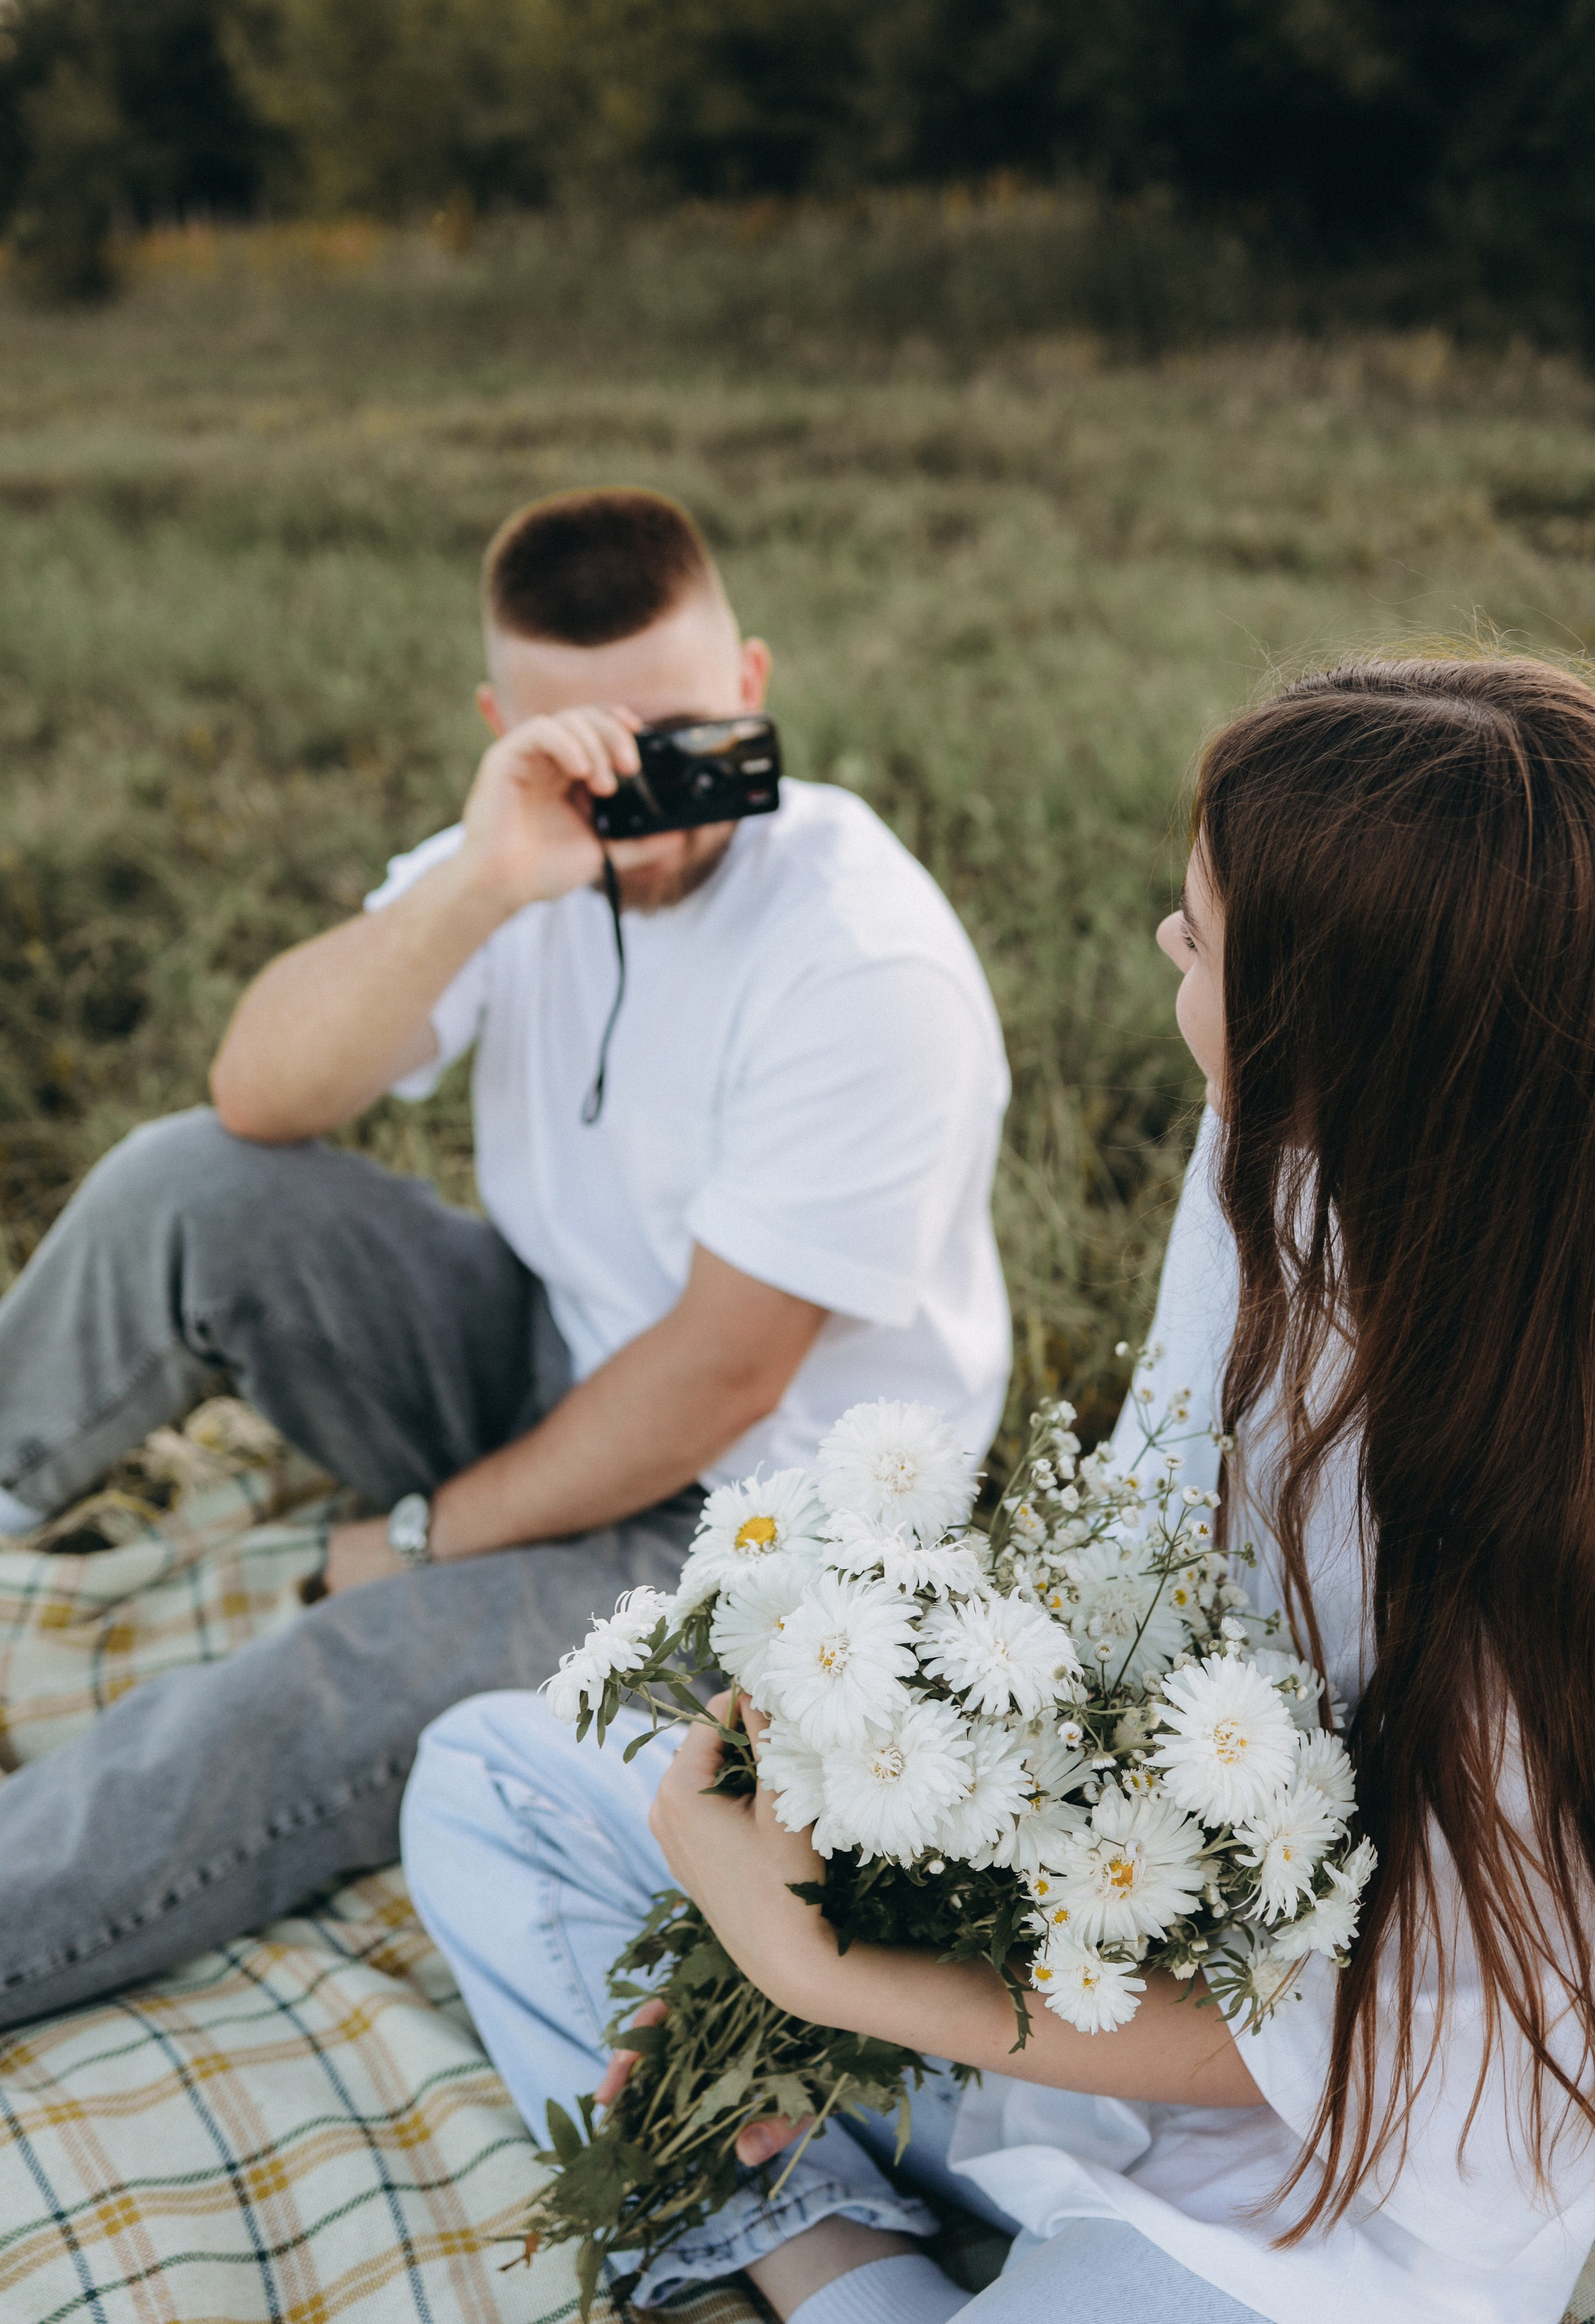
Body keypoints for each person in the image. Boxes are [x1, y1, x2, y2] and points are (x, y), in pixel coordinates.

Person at [402, 654, 1595, 2324]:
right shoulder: (1262, 1166)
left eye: (1206, 931)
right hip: (1083, 1970)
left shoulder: (1544, 1520)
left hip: (1346, 2178)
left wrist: (816, 1968)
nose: (1170, 945)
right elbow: (1135, 1608)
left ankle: (805, 2248)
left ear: (1343, 1035)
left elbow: (1335, 2046)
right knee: (498, 1782)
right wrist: (852, 1817)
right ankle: (819, 2222)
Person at [0, 486, 1011, 2027]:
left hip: (754, 1527)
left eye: (678, 741)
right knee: (187, 1182)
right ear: (508, 726)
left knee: (325, 1679)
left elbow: (720, 1376)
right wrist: (480, 880)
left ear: (750, 687)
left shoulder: (861, 957)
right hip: (556, 1358)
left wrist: (416, 1541)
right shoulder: (529, 849)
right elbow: (258, 1095)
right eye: (597, 758)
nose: (649, 806)